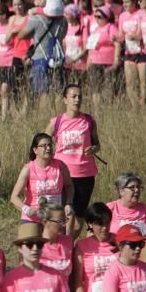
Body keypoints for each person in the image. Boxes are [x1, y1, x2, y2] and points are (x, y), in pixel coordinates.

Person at [45, 83, 101, 217]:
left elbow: (98, 144)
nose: (77, 100)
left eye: (79, 97)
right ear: (65, 100)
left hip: (85, 174)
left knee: (79, 216)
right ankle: (62, 238)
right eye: (73, 96)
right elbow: (43, 143)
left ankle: (69, 238)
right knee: (63, 214)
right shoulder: (56, 121)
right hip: (62, 173)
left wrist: (94, 149)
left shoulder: (89, 120)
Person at [9, 132, 74, 224]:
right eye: (44, 146)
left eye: (50, 145)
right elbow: (14, 197)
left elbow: (69, 186)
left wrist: (68, 203)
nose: (48, 148)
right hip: (32, 219)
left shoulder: (60, 166)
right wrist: (27, 210)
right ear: (35, 150)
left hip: (55, 219)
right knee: (30, 238)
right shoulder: (28, 169)